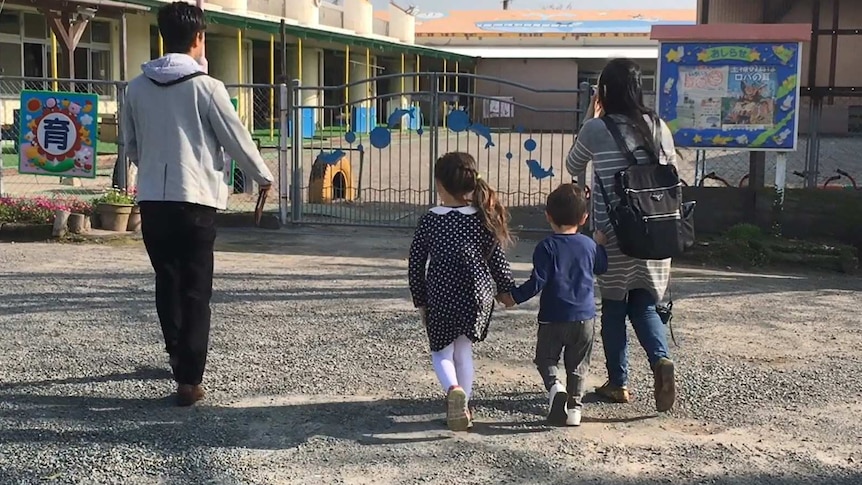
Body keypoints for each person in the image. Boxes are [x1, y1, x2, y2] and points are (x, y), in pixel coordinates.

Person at [123, 1, 274, 406]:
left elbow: (130, 146)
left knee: (166, 281)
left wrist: (155, 166)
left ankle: (176, 354)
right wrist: (263, 175)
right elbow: (235, 137)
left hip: (153, 199)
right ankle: (189, 380)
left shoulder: (134, 88)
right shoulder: (208, 88)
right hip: (197, 201)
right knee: (195, 290)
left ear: (161, 36)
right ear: (199, 38)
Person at [565, 58, 677, 412]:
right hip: (656, 231)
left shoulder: (597, 128)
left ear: (605, 91)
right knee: (645, 304)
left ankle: (619, 383)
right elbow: (670, 170)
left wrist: (589, 116)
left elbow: (573, 165)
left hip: (611, 235)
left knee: (614, 309)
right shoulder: (658, 125)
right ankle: (661, 361)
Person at [408, 152, 515, 431]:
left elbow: (416, 263)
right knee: (464, 351)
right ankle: (465, 407)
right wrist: (507, 290)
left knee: (442, 352)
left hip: (441, 293)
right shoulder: (482, 218)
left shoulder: (431, 219)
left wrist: (420, 300)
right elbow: (497, 259)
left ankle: (453, 390)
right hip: (476, 295)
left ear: (439, 185)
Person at [497, 184, 608, 426]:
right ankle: (575, 409)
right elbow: (601, 267)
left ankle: (555, 387)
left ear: (548, 216)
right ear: (584, 218)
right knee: (578, 364)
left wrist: (513, 297)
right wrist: (599, 245)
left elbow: (538, 281)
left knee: (546, 359)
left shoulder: (546, 247)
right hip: (585, 317)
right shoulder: (589, 246)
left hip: (552, 316)